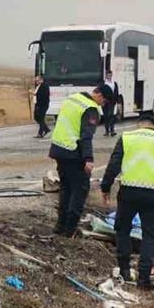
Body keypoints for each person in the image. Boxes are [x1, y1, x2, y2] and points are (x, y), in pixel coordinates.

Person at [99, 111, 154, 288]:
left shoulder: (127, 137)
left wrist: (105, 187)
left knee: (123, 230)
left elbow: (114, 164)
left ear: (139, 123)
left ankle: (124, 272)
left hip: (128, 192)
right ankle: (144, 278)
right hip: (153, 195)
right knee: (149, 235)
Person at [50, 84, 110, 236]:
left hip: (58, 149)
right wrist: (88, 158)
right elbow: (86, 136)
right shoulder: (90, 109)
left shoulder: (73, 98)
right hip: (73, 152)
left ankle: (60, 225)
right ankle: (70, 230)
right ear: (100, 96)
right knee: (80, 189)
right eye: (104, 102)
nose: (102, 105)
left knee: (66, 188)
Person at [102, 70, 120, 136]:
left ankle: (112, 130)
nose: (109, 76)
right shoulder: (103, 83)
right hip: (105, 102)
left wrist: (117, 102)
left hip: (112, 102)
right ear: (106, 75)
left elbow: (116, 92)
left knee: (111, 115)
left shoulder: (114, 83)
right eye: (108, 75)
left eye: (110, 75)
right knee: (106, 116)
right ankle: (107, 131)